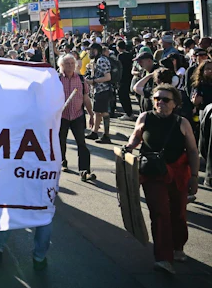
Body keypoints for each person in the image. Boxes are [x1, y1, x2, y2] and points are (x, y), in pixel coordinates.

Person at [122, 84, 200, 274]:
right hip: (152, 173)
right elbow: (135, 137)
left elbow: (192, 150)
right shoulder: (145, 117)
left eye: (165, 100)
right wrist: (128, 148)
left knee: (178, 212)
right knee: (159, 213)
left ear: (175, 104)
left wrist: (195, 177)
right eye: (157, 99)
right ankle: (164, 258)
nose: (160, 103)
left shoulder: (182, 123)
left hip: (179, 173)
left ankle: (178, 247)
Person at [57, 54, 94, 180]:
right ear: (61, 66)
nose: (70, 66)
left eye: (72, 63)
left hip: (77, 115)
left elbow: (86, 98)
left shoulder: (81, 80)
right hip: (61, 116)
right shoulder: (56, 80)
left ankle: (84, 170)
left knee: (81, 143)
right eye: (67, 64)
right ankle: (62, 161)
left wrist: (91, 114)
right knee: (60, 141)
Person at [85, 43, 113, 144]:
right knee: (97, 111)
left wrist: (94, 81)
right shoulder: (95, 60)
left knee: (104, 112)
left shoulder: (102, 60)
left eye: (91, 50)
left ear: (96, 50)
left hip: (103, 90)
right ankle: (95, 132)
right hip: (97, 90)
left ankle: (106, 135)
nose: (89, 52)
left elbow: (108, 77)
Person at [116, 41, 135, 120]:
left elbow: (119, 68)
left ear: (118, 47)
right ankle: (129, 112)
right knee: (126, 95)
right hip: (129, 77)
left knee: (123, 96)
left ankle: (128, 113)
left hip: (122, 78)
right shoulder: (130, 55)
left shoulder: (120, 56)